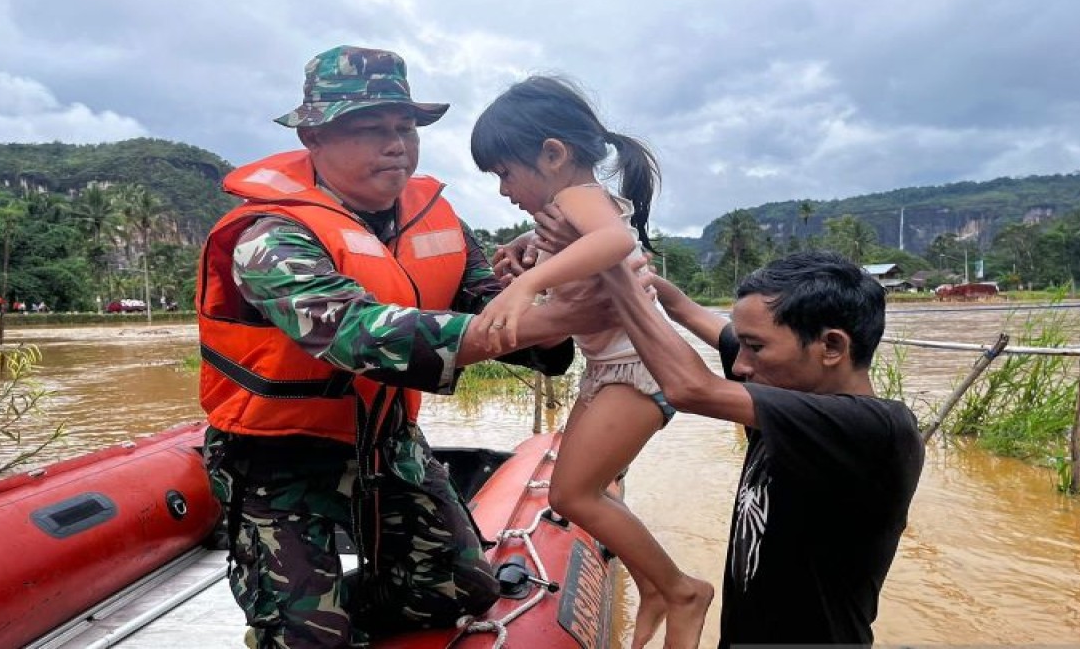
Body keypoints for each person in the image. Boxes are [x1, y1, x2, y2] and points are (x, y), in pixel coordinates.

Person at [195, 46, 610, 649]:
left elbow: (491, 300)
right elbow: (354, 334)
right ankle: (304, 621)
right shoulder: (271, 237)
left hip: (386, 440)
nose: (397, 145)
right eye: (370, 130)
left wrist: (547, 277)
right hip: (275, 457)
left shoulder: (436, 219)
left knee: (462, 587)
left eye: (406, 128)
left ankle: (331, 610)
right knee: (310, 638)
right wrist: (533, 323)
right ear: (314, 136)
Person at [470, 75, 714, 649]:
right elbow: (578, 254)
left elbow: (612, 243)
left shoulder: (581, 197)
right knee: (581, 490)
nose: (503, 189)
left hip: (638, 370)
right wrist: (523, 259)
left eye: (506, 172)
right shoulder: (560, 212)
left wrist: (524, 289)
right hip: (608, 369)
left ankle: (682, 591)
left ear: (553, 155)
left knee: (572, 495)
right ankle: (658, 584)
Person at [581, 245, 925, 647]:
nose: (741, 365)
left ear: (831, 347)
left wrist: (614, 277)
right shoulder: (783, 382)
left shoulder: (876, 430)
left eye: (755, 347)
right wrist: (628, 270)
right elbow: (685, 308)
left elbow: (691, 389)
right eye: (742, 345)